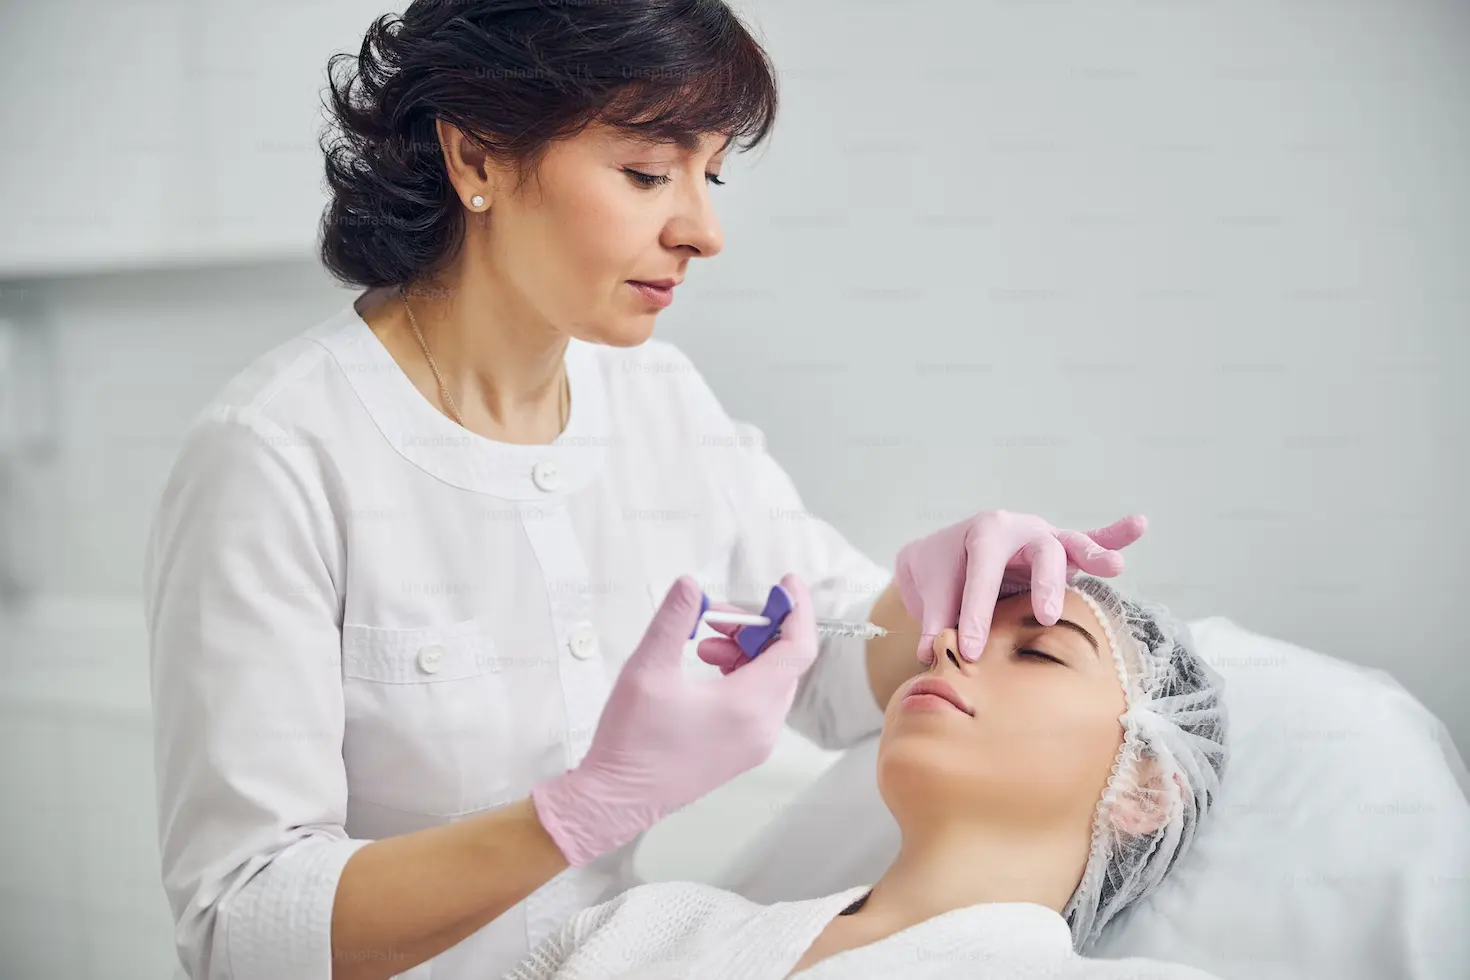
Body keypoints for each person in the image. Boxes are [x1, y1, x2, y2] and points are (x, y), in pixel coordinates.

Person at [142, 3, 1148, 979]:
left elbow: (825, 659)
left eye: (709, 175)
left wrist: (925, 603)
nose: (703, 230)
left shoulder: (657, 399)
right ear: (478, 157)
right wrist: (573, 815)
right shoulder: (280, 453)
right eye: (647, 173)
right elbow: (242, 928)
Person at [503, 576, 1230, 979]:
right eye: (943, 638)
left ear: (1148, 788)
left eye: (1038, 653)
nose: (945, 645)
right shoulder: (642, 927)